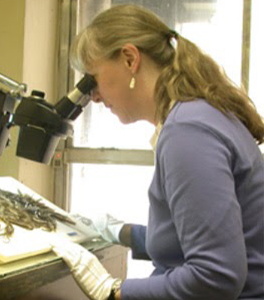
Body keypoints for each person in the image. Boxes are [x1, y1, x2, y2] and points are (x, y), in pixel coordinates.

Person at [50, 4, 264, 300]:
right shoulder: (198, 116)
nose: (94, 96)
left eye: (93, 78)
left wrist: (115, 291)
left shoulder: (187, 131)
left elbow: (216, 276)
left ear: (129, 58)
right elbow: (193, 237)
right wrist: (119, 232)